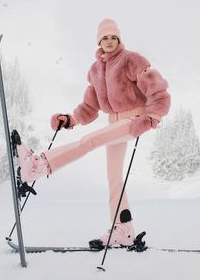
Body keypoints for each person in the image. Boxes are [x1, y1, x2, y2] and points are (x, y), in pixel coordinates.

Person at [17, 19, 171, 248]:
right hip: (115, 122)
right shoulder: (95, 70)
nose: (109, 41)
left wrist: (152, 117)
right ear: (99, 41)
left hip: (134, 120)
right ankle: (123, 230)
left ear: (119, 39)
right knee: (114, 178)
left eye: (113, 37)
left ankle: (38, 166)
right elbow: (90, 106)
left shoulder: (131, 60)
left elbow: (156, 87)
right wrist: (70, 119)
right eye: (105, 38)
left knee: (90, 141)